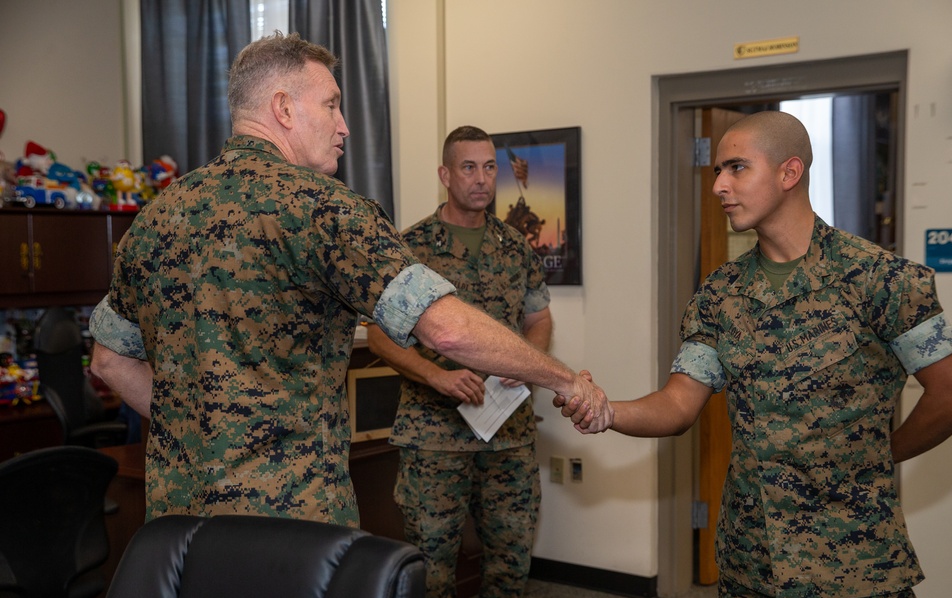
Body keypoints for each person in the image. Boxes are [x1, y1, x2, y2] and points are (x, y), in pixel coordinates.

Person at [88, 32, 610, 532]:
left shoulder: (157, 217)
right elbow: (447, 331)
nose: (345, 126)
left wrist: (202, 432)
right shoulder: (325, 210)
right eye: (332, 105)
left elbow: (109, 360)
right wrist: (564, 380)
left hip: (180, 521)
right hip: (290, 521)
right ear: (284, 109)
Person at [558, 111, 952, 598]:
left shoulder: (882, 280)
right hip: (752, 561)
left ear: (789, 172)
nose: (718, 187)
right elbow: (679, 403)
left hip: (853, 567)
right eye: (716, 171)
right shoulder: (721, 294)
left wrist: (880, 456)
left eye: (736, 168)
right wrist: (607, 410)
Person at [366, 126, 547, 598]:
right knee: (433, 557)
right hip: (435, 434)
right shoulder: (409, 248)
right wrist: (435, 376)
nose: (481, 178)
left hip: (507, 431)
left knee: (510, 552)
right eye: (468, 167)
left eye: (489, 167)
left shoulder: (515, 247)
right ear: (445, 175)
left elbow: (538, 319)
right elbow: (378, 335)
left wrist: (527, 363)